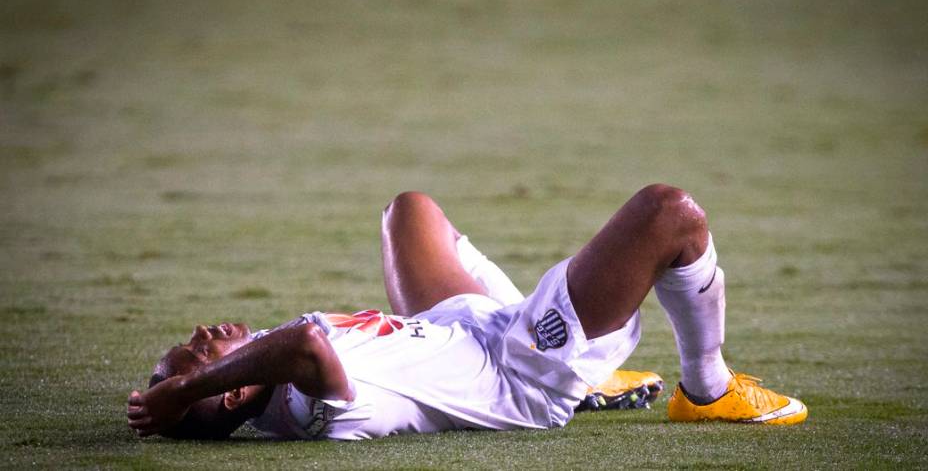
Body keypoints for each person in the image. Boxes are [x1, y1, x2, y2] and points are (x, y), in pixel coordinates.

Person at [126, 185, 808, 440]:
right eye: (197, 354)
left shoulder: (271, 370)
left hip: (462, 331)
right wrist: (181, 390)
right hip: (519, 371)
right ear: (231, 388)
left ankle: (601, 376)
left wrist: (188, 384)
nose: (198, 336)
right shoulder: (303, 405)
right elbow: (307, 346)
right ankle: (708, 389)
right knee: (671, 216)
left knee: (409, 210)